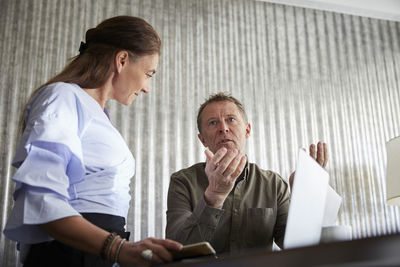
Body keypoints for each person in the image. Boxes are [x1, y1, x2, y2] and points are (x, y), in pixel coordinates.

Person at [3, 16, 182, 266]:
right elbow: (41, 199)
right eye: (148, 74)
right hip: (69, 253)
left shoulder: (98, 115)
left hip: (94, 250)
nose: (147, 88)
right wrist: (117, 248)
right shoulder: (63, 97)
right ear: (122, 60)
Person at [165, 92, 328, 254]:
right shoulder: (183, 181)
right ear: (203, 140)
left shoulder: (274, 184)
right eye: (213, 123)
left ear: (247, 130)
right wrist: (213, 196)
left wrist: (304, 195)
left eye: (231, 119)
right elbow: (178, 247)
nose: (223, 128)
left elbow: (298, 247)